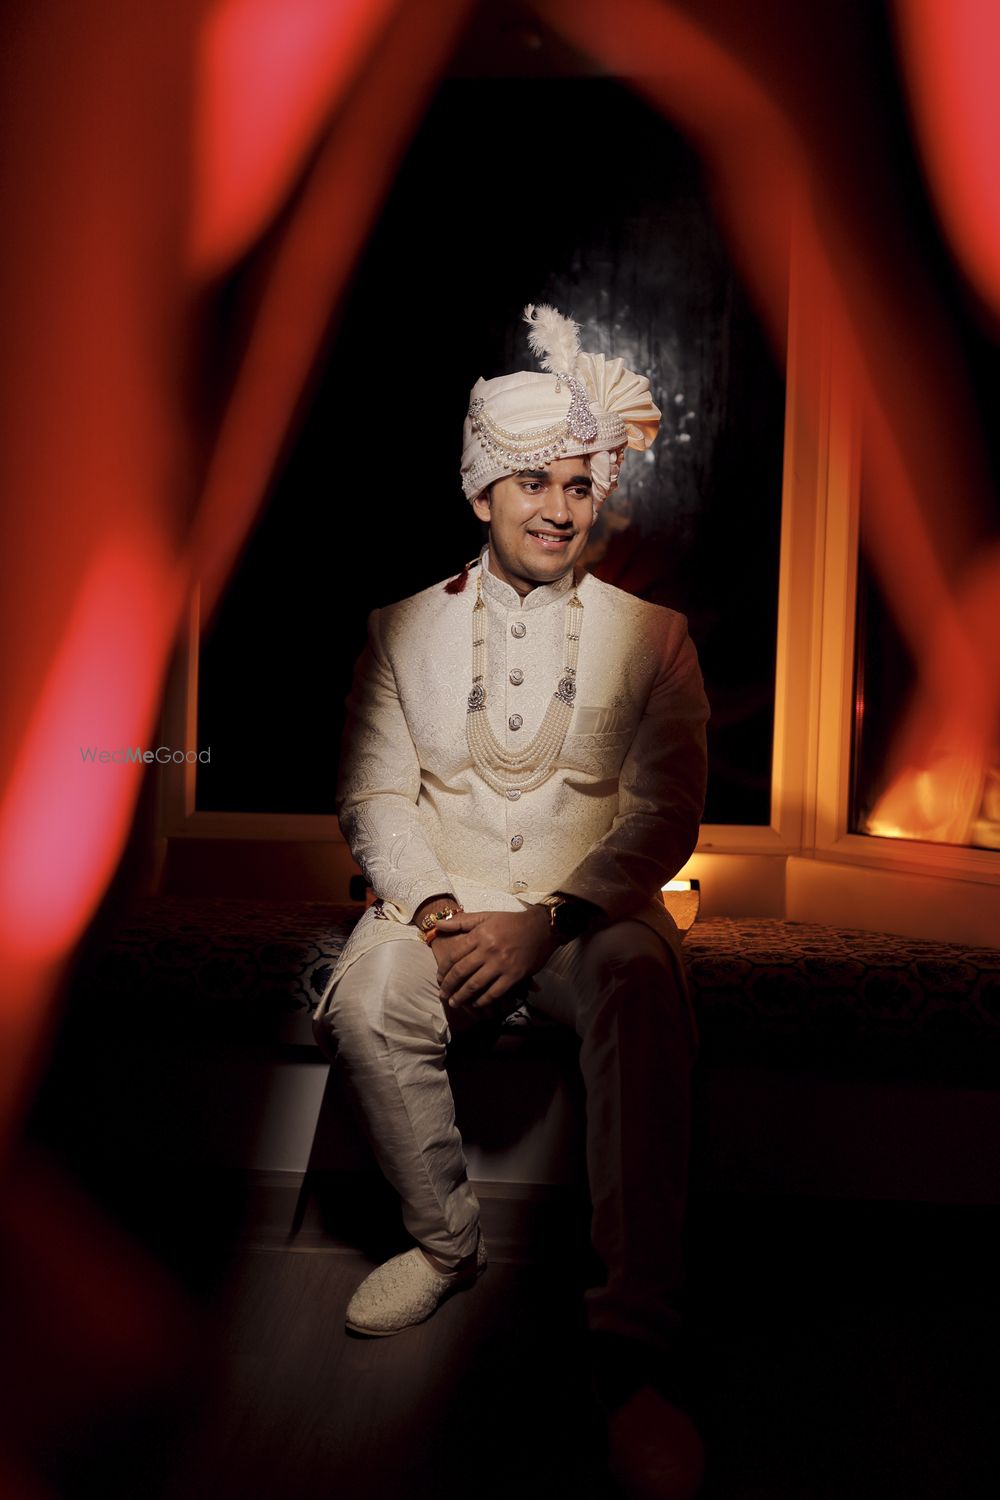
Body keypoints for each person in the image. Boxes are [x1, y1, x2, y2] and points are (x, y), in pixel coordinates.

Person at [313, 304, 710, 1499]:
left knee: (639, 980)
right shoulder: (399, 630)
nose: (558, 507)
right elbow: (372, 796)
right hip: (441, 903)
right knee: (366, 998)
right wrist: (440, 917)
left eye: (579, 485)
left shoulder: (659, 637)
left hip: (586, 919)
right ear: (481, 491)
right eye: (532, 481)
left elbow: (665, 813)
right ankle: (444, 1244)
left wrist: (553, 920)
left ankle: (631, 1335)